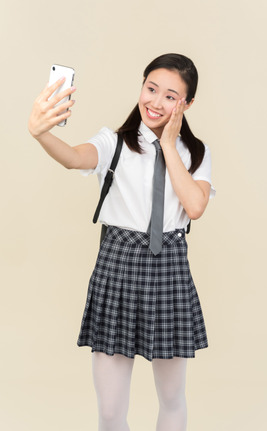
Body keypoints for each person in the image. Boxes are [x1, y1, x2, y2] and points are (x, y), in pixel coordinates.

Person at [28, 53, 215, 431]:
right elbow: (74, 157)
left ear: (187, 104)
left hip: (169, 272)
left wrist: (167, 143)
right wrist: (42, 133)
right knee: (111, 411)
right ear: (141, 86)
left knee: (172, 398)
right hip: (117, 267)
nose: (155, 102)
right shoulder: (113, 142)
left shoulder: (195, 152)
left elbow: (194, 206)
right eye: (150, 89)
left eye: (170, 96)